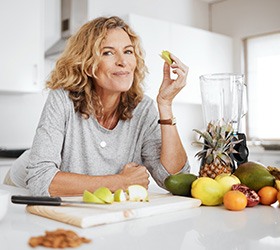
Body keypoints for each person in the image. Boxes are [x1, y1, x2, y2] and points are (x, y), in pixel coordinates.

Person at [8, 16, 190, 197]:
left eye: (128, 51)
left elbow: (175, 180)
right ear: (87, 65)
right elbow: (39, 180)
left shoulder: (143, 109)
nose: (123, 61)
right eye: (108, 53)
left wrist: (165, 105)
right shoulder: (62, 99)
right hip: (20, 185)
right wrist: (120, 182)